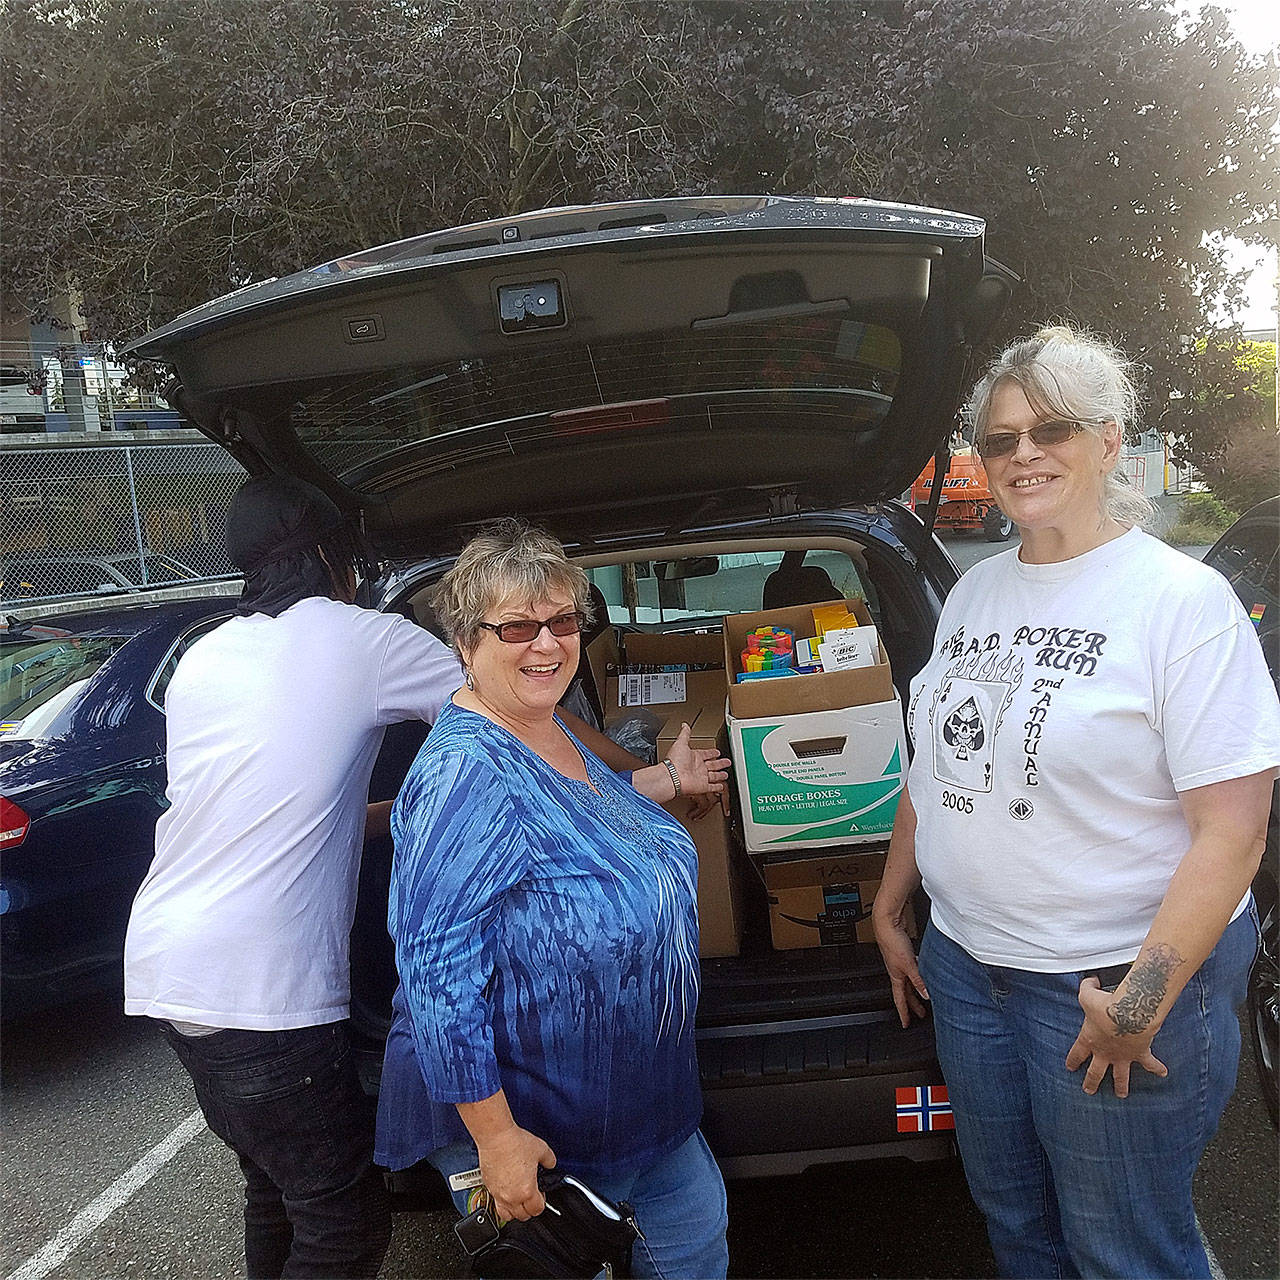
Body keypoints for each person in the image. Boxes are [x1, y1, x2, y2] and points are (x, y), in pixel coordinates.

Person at [872, 325, 1280, 1279]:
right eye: (999, 439)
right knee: (1015, 1220)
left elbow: (1233, 833)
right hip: (970, 971)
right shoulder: (975, 592)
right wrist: (895, 905)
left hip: (1107, 988)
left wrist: (1138, 1006)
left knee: (1125, 1249)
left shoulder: (1180, 601)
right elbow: (936, 769)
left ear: (1107, 441)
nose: (1021, 456)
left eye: (1048, 429)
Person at [123, 474, 463, 1279]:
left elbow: (281, 810)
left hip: (170, 966)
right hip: (262, 989)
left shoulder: (206, 654)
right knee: (342, 1223)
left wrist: (401, 812)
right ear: (329, 554)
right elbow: (519, 724)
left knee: (275, 1189)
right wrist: (645, 783)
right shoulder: (368, 640)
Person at [375, 518, 731, 1280]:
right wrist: (497, 1141)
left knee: (698, 1253)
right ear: (466, 644)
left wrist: (665, 782)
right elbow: (438, 978)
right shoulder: (466, 775)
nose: (547, 643)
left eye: (562, 621)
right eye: (518, 627)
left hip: (645, 1113)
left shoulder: (547, 727)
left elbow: (591, 815)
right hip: (549, 1130)